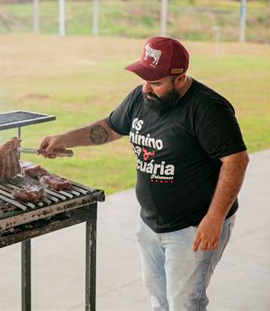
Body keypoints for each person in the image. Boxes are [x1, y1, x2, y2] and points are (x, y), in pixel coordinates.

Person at [38, 36, 249, 310]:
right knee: (159, 300)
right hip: (150, 224)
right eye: (144, 79)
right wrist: (65, 138)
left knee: (185, 304)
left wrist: (215, 218)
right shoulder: (142, 96)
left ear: (181, 78)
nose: (146, 88)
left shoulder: (209, 109)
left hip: (193, 227)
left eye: (157, 82)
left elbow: (236, 161)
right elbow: (111, 127)